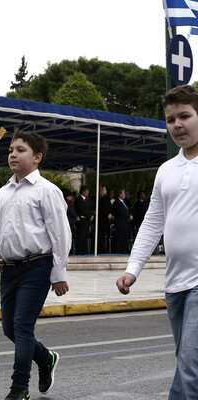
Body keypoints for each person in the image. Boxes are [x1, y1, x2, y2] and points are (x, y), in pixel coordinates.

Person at [0, 130, 70, 400]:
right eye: (11, 149)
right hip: (8, 269)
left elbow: (60, 234)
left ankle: (19, 388)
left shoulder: (48, 191)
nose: (13, 154)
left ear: (37, 158)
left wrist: (59, 273)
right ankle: (45, 358)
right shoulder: (3, 191)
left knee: (23, 326)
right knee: (9, 328)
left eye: (20, 149)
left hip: (37, 266)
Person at [116, 84, 198, 399]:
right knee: (187, 362)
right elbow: (152, 223)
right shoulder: (166, 170)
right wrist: (132, 269)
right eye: (170, 119)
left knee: (190, 365)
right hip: (174, 284)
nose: (177, 124)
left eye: (185, 116)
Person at [74, 185, 93, 254]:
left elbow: (90, 209)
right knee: (81, 236)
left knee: (86, 236)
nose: (88, 192)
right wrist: (88, 215)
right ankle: (79, 250)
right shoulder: (79, 200)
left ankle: (84, 250)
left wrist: (91, 215)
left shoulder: (87, 200)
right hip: (82, 220)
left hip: (87, 221)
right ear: (83, 192)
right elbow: (81, 210)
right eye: (87, 191)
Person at [112, 188, 133, 254]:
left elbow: (128, 210)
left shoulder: (124, 202)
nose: (125, 195)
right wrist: (128, 216)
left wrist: (130, 215)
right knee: (120, 237)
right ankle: (117, 250)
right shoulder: (117, 202)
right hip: (120, 223)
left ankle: (124, 249)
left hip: (126, 223)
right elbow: (121, 211)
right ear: (120, 194)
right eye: (124, 193)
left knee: (125, 237)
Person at [97, 185, 113, 253]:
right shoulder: (99, 199)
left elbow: (109, 207)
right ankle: (99, 248)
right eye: (105, 190)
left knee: (104, 235)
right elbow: (100, 209)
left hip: (106, 220)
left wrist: (110, 213)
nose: (106, 191)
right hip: (101, 219)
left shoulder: (106, 199)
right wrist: (107, 214)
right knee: (100, 235)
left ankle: (103, 248)